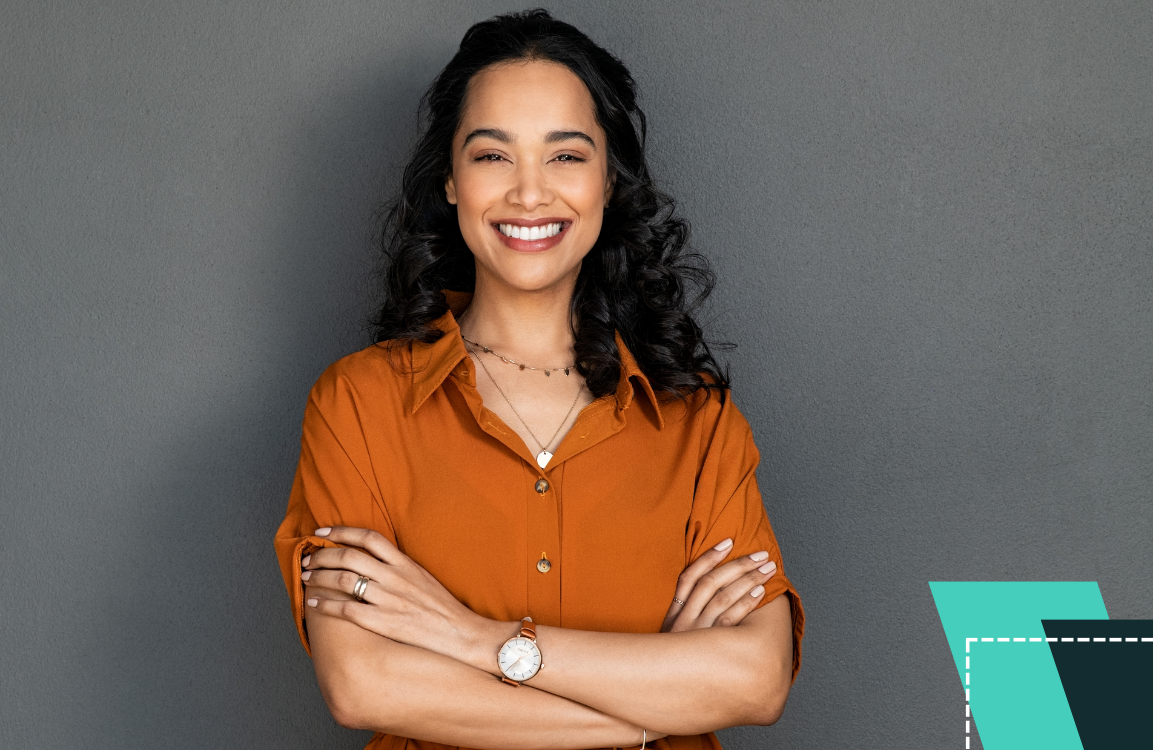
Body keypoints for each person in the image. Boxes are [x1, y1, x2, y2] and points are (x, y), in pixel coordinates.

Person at [273, 9, 803, 750]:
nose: (529, 194)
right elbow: (365, 685)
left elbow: (755, 680)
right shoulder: (358, 406)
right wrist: (656, 704)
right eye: (493, 155)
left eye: (566, 156)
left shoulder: (700, 425)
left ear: (610, 182)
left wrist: (469, 637)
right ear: (452, 181)